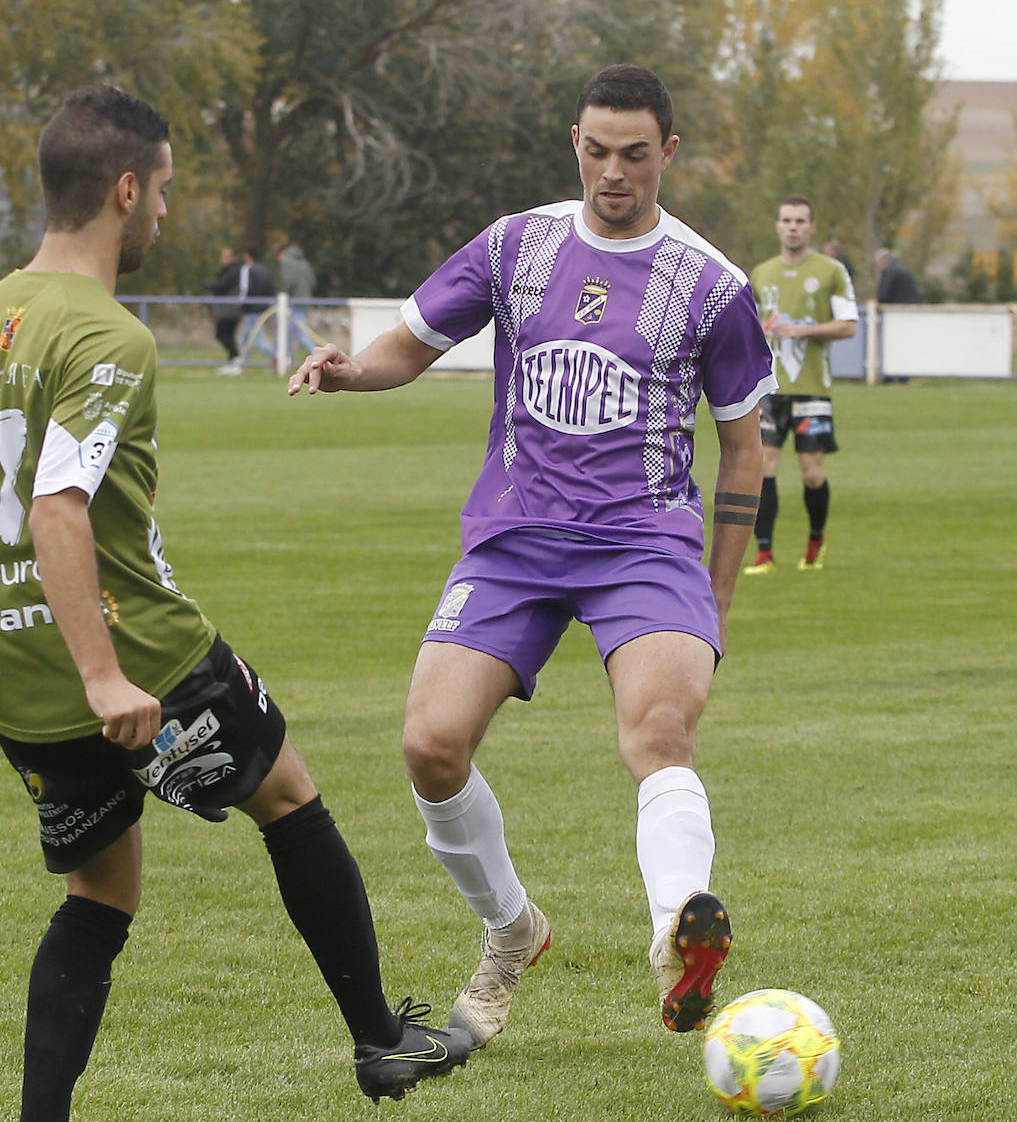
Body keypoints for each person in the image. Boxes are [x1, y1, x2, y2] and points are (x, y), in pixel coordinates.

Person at [0, 86, 472, 1122]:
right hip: (138, 661)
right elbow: (55, 507)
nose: (165, 207)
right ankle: (379, 1041)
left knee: (100, 891)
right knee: (289, 798)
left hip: (18, 678)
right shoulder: (107, 334)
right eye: (162, 187)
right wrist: (103, 673)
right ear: (126, 189)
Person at [288, 65, 775, 1048]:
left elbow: (743, 451)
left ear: (668, 153)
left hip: (642, 543)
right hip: (515, 536)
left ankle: (676, 931)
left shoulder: (710, 286)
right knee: (429, 746)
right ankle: (512, 930)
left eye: (633, 154)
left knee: (659, 732)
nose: (612, 172)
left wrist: (712, 596)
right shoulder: (517, 245)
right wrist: (348, 372)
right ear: (574, 145)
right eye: (596, 151)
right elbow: (409, 345)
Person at [746, 196, 859, 574]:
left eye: (799, 221)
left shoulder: (830, 271)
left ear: (811, 227)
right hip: (770, 389)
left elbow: (849, 325)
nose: (792, 227)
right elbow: (748, 325)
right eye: (786, 220)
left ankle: (815, 543)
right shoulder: (761, 274)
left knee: (812, 472)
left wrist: (802, 330)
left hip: (812, 389)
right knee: (764, 466)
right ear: (777, 226)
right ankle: (764, 554)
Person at [203, 244, 244, 374]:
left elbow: (222, 285)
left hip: (229, 309)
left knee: (223, 335)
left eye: (225, 256)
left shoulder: (234, 270)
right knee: (226, 335)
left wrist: (208, 285)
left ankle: (236, 361)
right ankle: (233, 362)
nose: (222, 259)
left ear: (233, 257)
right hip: (227, 308)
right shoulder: (231, 270)